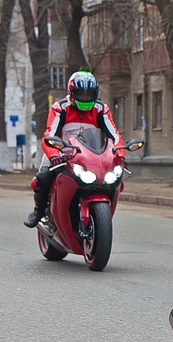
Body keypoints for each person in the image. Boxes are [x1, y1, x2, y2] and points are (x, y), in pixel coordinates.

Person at [24, 70, 123, 228]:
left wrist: (119, 155)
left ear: (95, 93)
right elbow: (49, 134)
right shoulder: (60, 108)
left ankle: (101, 218)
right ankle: (39, 211)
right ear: (71, 93)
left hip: (91, 157)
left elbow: (114, 135)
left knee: (115, 178)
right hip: (61, 155)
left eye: (89, 94)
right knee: (44, 177)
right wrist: (54, 155)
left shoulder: (101, 109)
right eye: (80, 94)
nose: (85, 97)